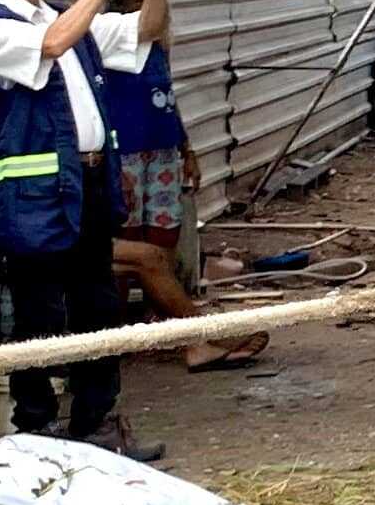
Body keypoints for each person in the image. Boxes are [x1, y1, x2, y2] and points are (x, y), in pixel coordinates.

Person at [0, 0, 166, 454]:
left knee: (97, 303)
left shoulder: (62, 16)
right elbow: (51, 43)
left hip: (87, 179)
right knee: (39, 312)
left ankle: (96, 424)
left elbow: (144, 31)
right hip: (29, 195)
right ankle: (36, 429)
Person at [97, 43, 266, 371]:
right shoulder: (105, 43)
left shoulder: (156, 49)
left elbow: (167, 102)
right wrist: (112, 167)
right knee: (138, 253)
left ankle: (177, 331)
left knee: (157, 249)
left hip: (155, 152)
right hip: (107, 173)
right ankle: (194, 337)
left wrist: (186, 149)